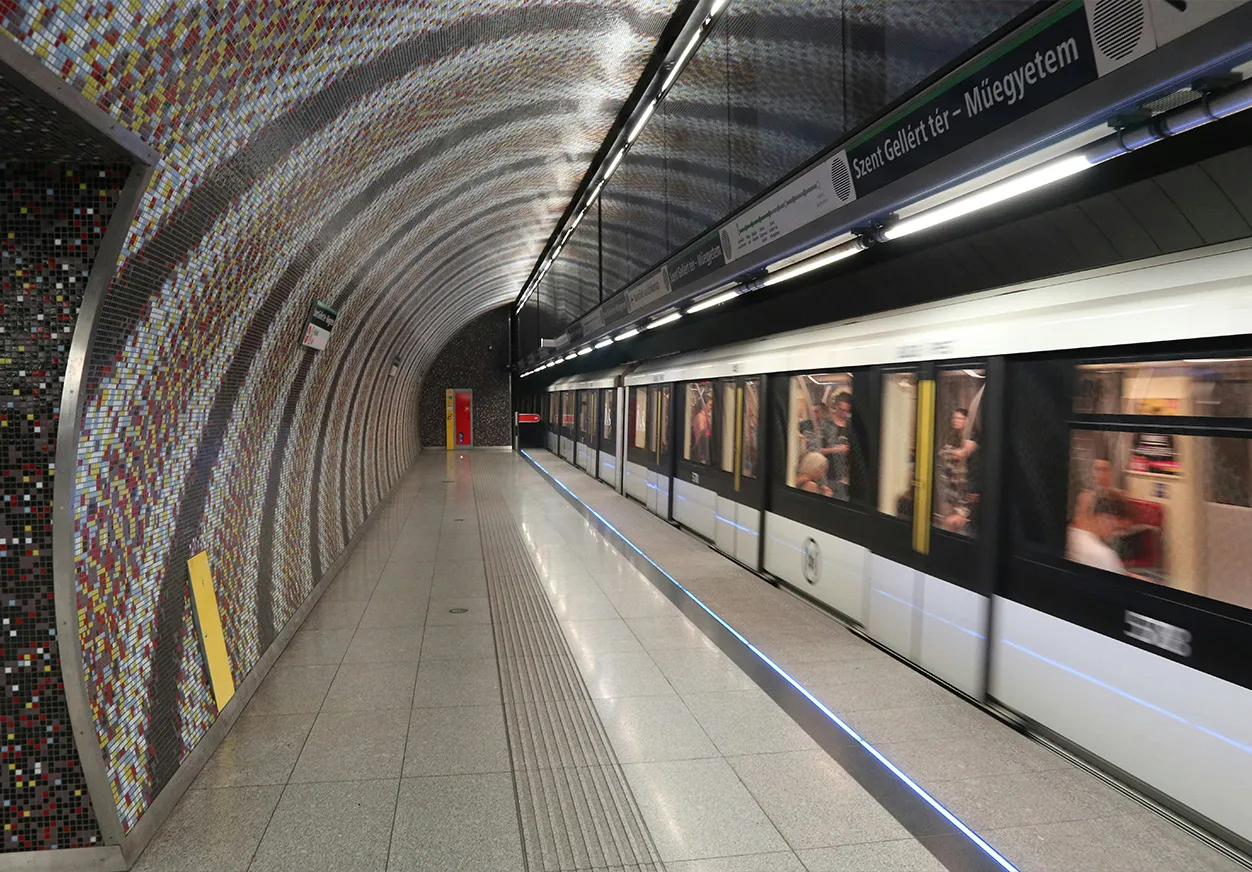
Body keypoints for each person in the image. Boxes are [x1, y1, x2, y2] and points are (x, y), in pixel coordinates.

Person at [1067, 489, 1131, 574]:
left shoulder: (1068, 536)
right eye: (1112, 519)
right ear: (1102, 517)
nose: (1115, 525)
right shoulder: (1104, 555)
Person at [937, 407, 978, 533]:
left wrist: (949, 452)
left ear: (967, 421)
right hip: (954, 485)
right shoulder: (954, 436)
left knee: (959, 522)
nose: (956, 420)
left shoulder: (973, 436)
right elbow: (942, 453)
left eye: (960, 418)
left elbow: (962, 453)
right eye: (955, 418)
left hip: (969, 485)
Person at [820, 392, 852, 500]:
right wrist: (835, 450)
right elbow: (817, 450)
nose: (845, 414)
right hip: (827, 475)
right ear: (836, 406)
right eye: (842, 410)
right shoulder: (825, 424)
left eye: (847, 411)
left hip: (845, 476)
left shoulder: (850, 425)